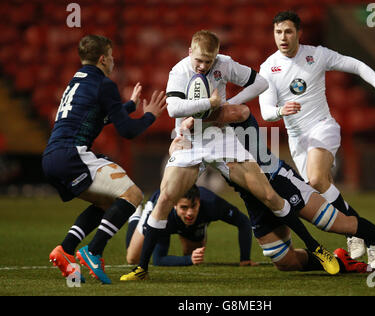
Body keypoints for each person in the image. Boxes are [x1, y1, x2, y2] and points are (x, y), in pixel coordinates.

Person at [140, 29, 340, 280]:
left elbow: (260, 82)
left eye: (208, 61)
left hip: (221, 140)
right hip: (188, 143)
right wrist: (210, 104)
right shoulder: (179, 71)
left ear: (216, 56)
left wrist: (227, 104)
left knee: (268, 194)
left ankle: (315, 247)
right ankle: (141, 268)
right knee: (164, 199)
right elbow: (173, 108)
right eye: (198, 60)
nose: (202, 66)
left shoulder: (224, 65)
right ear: (190, 52)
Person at [174, 108, 375, 274]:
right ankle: (343, 263)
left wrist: (201, 115)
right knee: (284, 262)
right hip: (253, 199)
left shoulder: (226, 114)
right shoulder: (198, 139)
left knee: (337, 224)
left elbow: (241, 111)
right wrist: (180, 141)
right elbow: (175, 153)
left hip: (278, 181)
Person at [258, 11, 375, 263]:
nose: (283, 37)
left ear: (299, 33)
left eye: (288, 31)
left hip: (322, 126)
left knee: (316, 178)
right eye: (278, 32)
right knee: (321, 188)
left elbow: (355, 65)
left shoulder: (317, 55)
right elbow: (266, 111)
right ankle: (363, 234)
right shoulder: (268, 67)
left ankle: (360, 235)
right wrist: (281, 110)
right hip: (297, 139)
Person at [43, 34, 167, 284]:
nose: (113, 61)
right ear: (102, 58)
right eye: (111, 56)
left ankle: (66, 250)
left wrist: (130, 107)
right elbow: (128, 131)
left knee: (106, 203)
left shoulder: (75, 81)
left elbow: (96, 116)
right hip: (73, 155)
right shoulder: (104, 84)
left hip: (52, 158)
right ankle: (94, 250)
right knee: (133, 195)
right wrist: (150, 116)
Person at [120, 185, 258, 280]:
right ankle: (136, 215)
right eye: (184, 207)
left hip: (192, 223)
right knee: (132, 258)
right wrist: (188, 260)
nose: (190, 213)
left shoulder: (212, 203)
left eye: (194, 206)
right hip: (162, 215)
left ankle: (200, 225)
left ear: (199, 202)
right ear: (174, 204)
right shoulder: (162, 214)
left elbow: (244, 222)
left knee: (192, 254)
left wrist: (245, 259)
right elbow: (159, 259)